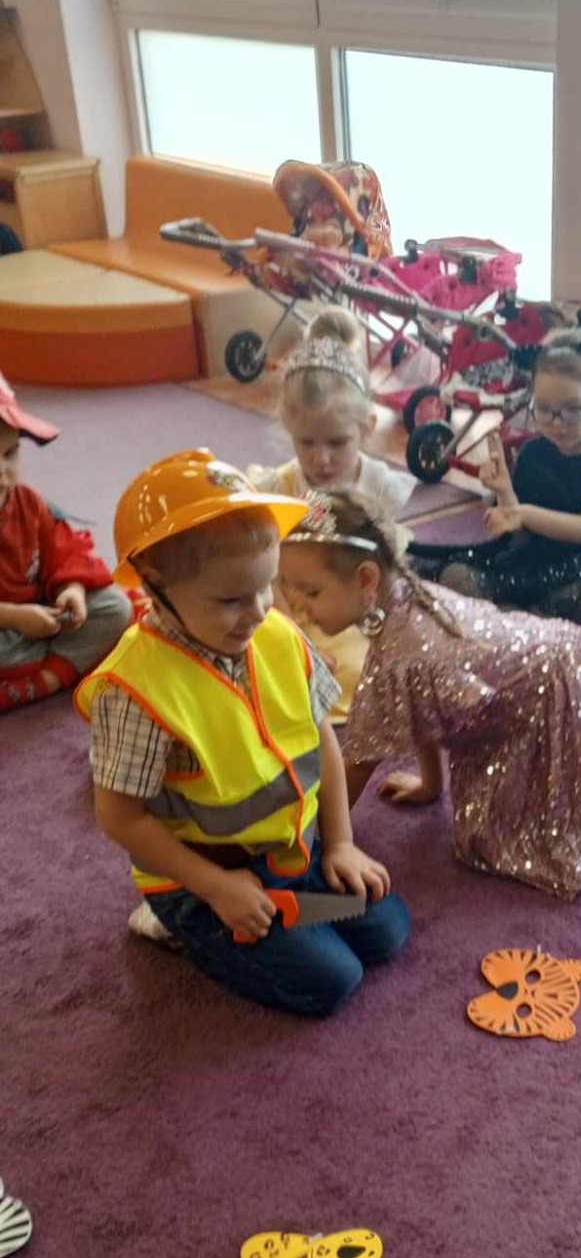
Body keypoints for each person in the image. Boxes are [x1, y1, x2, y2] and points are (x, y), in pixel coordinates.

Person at [278, 489, 581, 904]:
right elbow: (419, 706)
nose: (296, 605)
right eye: (286, 587)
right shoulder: (405, 598)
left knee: (574, 851)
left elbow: (355, 764)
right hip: (563, 678)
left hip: (573, 689)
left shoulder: (402, 648)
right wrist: (432, 786)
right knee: (486, 833)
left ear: (367, 579)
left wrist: (311, 840)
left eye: (309, 591)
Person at [75, 451, 410, 1016]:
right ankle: (175, 922)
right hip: (207, 878)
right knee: (331, 980)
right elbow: (120, 817)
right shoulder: (134, 690)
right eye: (231, 599)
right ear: (155, 585)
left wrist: (341, 842)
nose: (258, 613)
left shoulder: (278, 635)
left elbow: (322, 736)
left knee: (387, 928)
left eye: (265, 587)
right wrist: (215, 888)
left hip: (293, 854)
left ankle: (290, 910)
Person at [409, 334, 581, 614]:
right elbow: (515, 524)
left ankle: (527, 612)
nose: (557, 423)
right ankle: (526, 612)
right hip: (529, 559)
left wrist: (523, 513)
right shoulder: (532, 451)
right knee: (455, 573)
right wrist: (504, 491)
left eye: (572, 410)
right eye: (543, 410)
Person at [247, 308, 416, 718]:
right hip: (291, 614)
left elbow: (387, 574)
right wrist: (297, 643)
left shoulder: (380, 486)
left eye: (337, 443)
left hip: (357, 614)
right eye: (306, 443)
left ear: (367, 427)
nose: (320, 459)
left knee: (379, 675)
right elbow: (268, 581)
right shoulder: (278, 489)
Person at [0, 373, 131, 713]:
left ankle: (47, 678)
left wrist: (71, 590)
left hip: (39, 619)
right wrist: (14, 616)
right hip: (12, 631)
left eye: (10, 454)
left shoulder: (30, 503)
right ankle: (58, 667)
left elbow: (66, 550)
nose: (2, 471)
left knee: (116, 608)